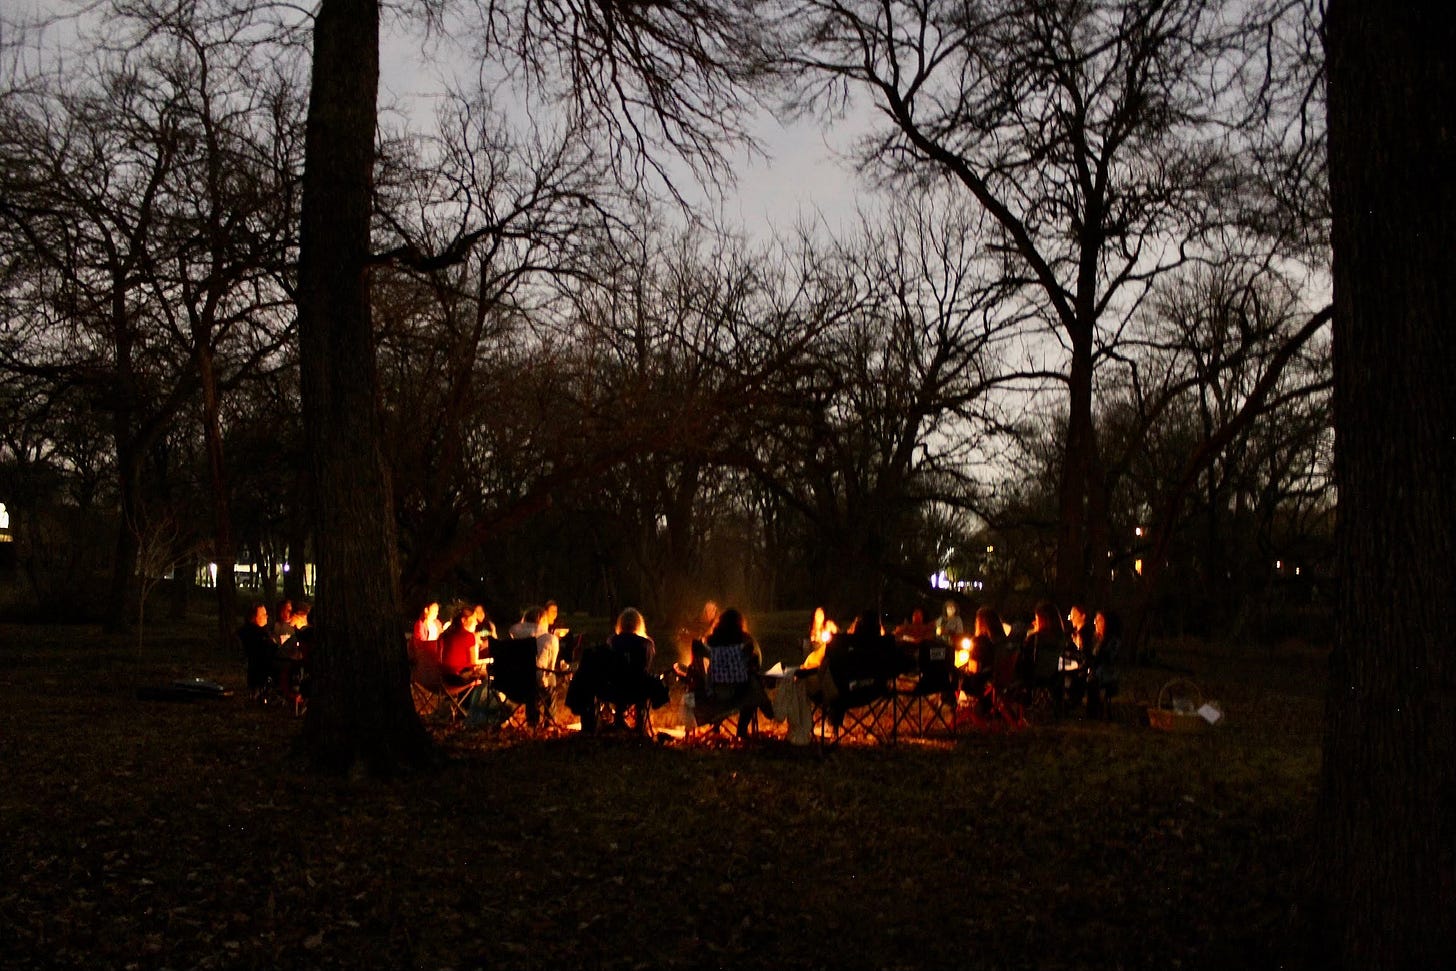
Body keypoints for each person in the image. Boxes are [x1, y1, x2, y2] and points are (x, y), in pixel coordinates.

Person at [692, 607, 767, 739]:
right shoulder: (744, 642)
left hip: (714, 694)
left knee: (748, 682)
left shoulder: (710, 641)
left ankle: (717, 726)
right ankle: (742, 729)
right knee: (753, 686)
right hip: (735, 695)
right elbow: (755, 664)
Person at [1021, 600, 1070, 717]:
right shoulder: (1061, 637)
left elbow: (1025, 654)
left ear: (1041, 619)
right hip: (1054, 674)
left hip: (1035, 674)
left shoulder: (1036, 638)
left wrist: (1033, 633)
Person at [1086, 609, 1122, 718]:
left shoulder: (1113, 641)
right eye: (1095, 620)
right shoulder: (1095, 639)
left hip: (1107, 672)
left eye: (1100, 620)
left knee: (1092, 679)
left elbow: (1106, 658)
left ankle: (1093, 712)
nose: (1096, 623)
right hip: (1095, 670)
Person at [239, 603, 275, 701]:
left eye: (266, 614)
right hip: (259, 670)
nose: (266, 617)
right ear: (254, 617)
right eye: (263, 615)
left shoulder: (263, 633)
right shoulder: (255, 635)